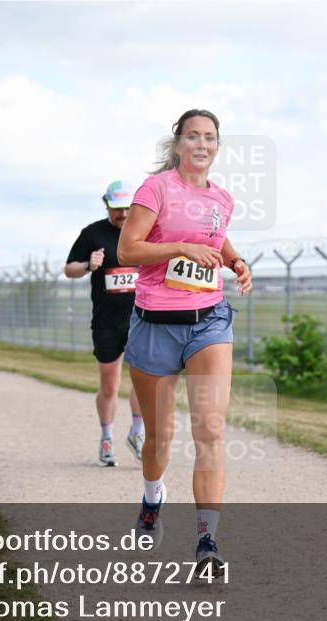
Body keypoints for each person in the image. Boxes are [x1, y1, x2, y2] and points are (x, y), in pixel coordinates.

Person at [118, 109, 252, 577]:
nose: (201, 143)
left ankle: (207, 541)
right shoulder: (154, 190)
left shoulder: (222, 199)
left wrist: (235, 262)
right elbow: (128, 250)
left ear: (217, 147)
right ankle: (153, 496)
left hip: (209, 321)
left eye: (210, 137)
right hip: (155, 321)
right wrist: (179, 250)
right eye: (192, 136)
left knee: (210, 430)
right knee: (160, 437)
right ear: (177, 144)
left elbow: (214, 237)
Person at [65, 181, 146, 467]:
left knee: (143, 381)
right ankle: (107, 437)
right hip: (107, 322)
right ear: (107, 205)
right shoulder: (92, 233)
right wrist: (88, 264)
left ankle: (137, 433)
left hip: (140, 319)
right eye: (116, 208)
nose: (122, 214)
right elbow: (69, 269)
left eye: (127, 208)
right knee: (110, 385)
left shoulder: (143, 230)